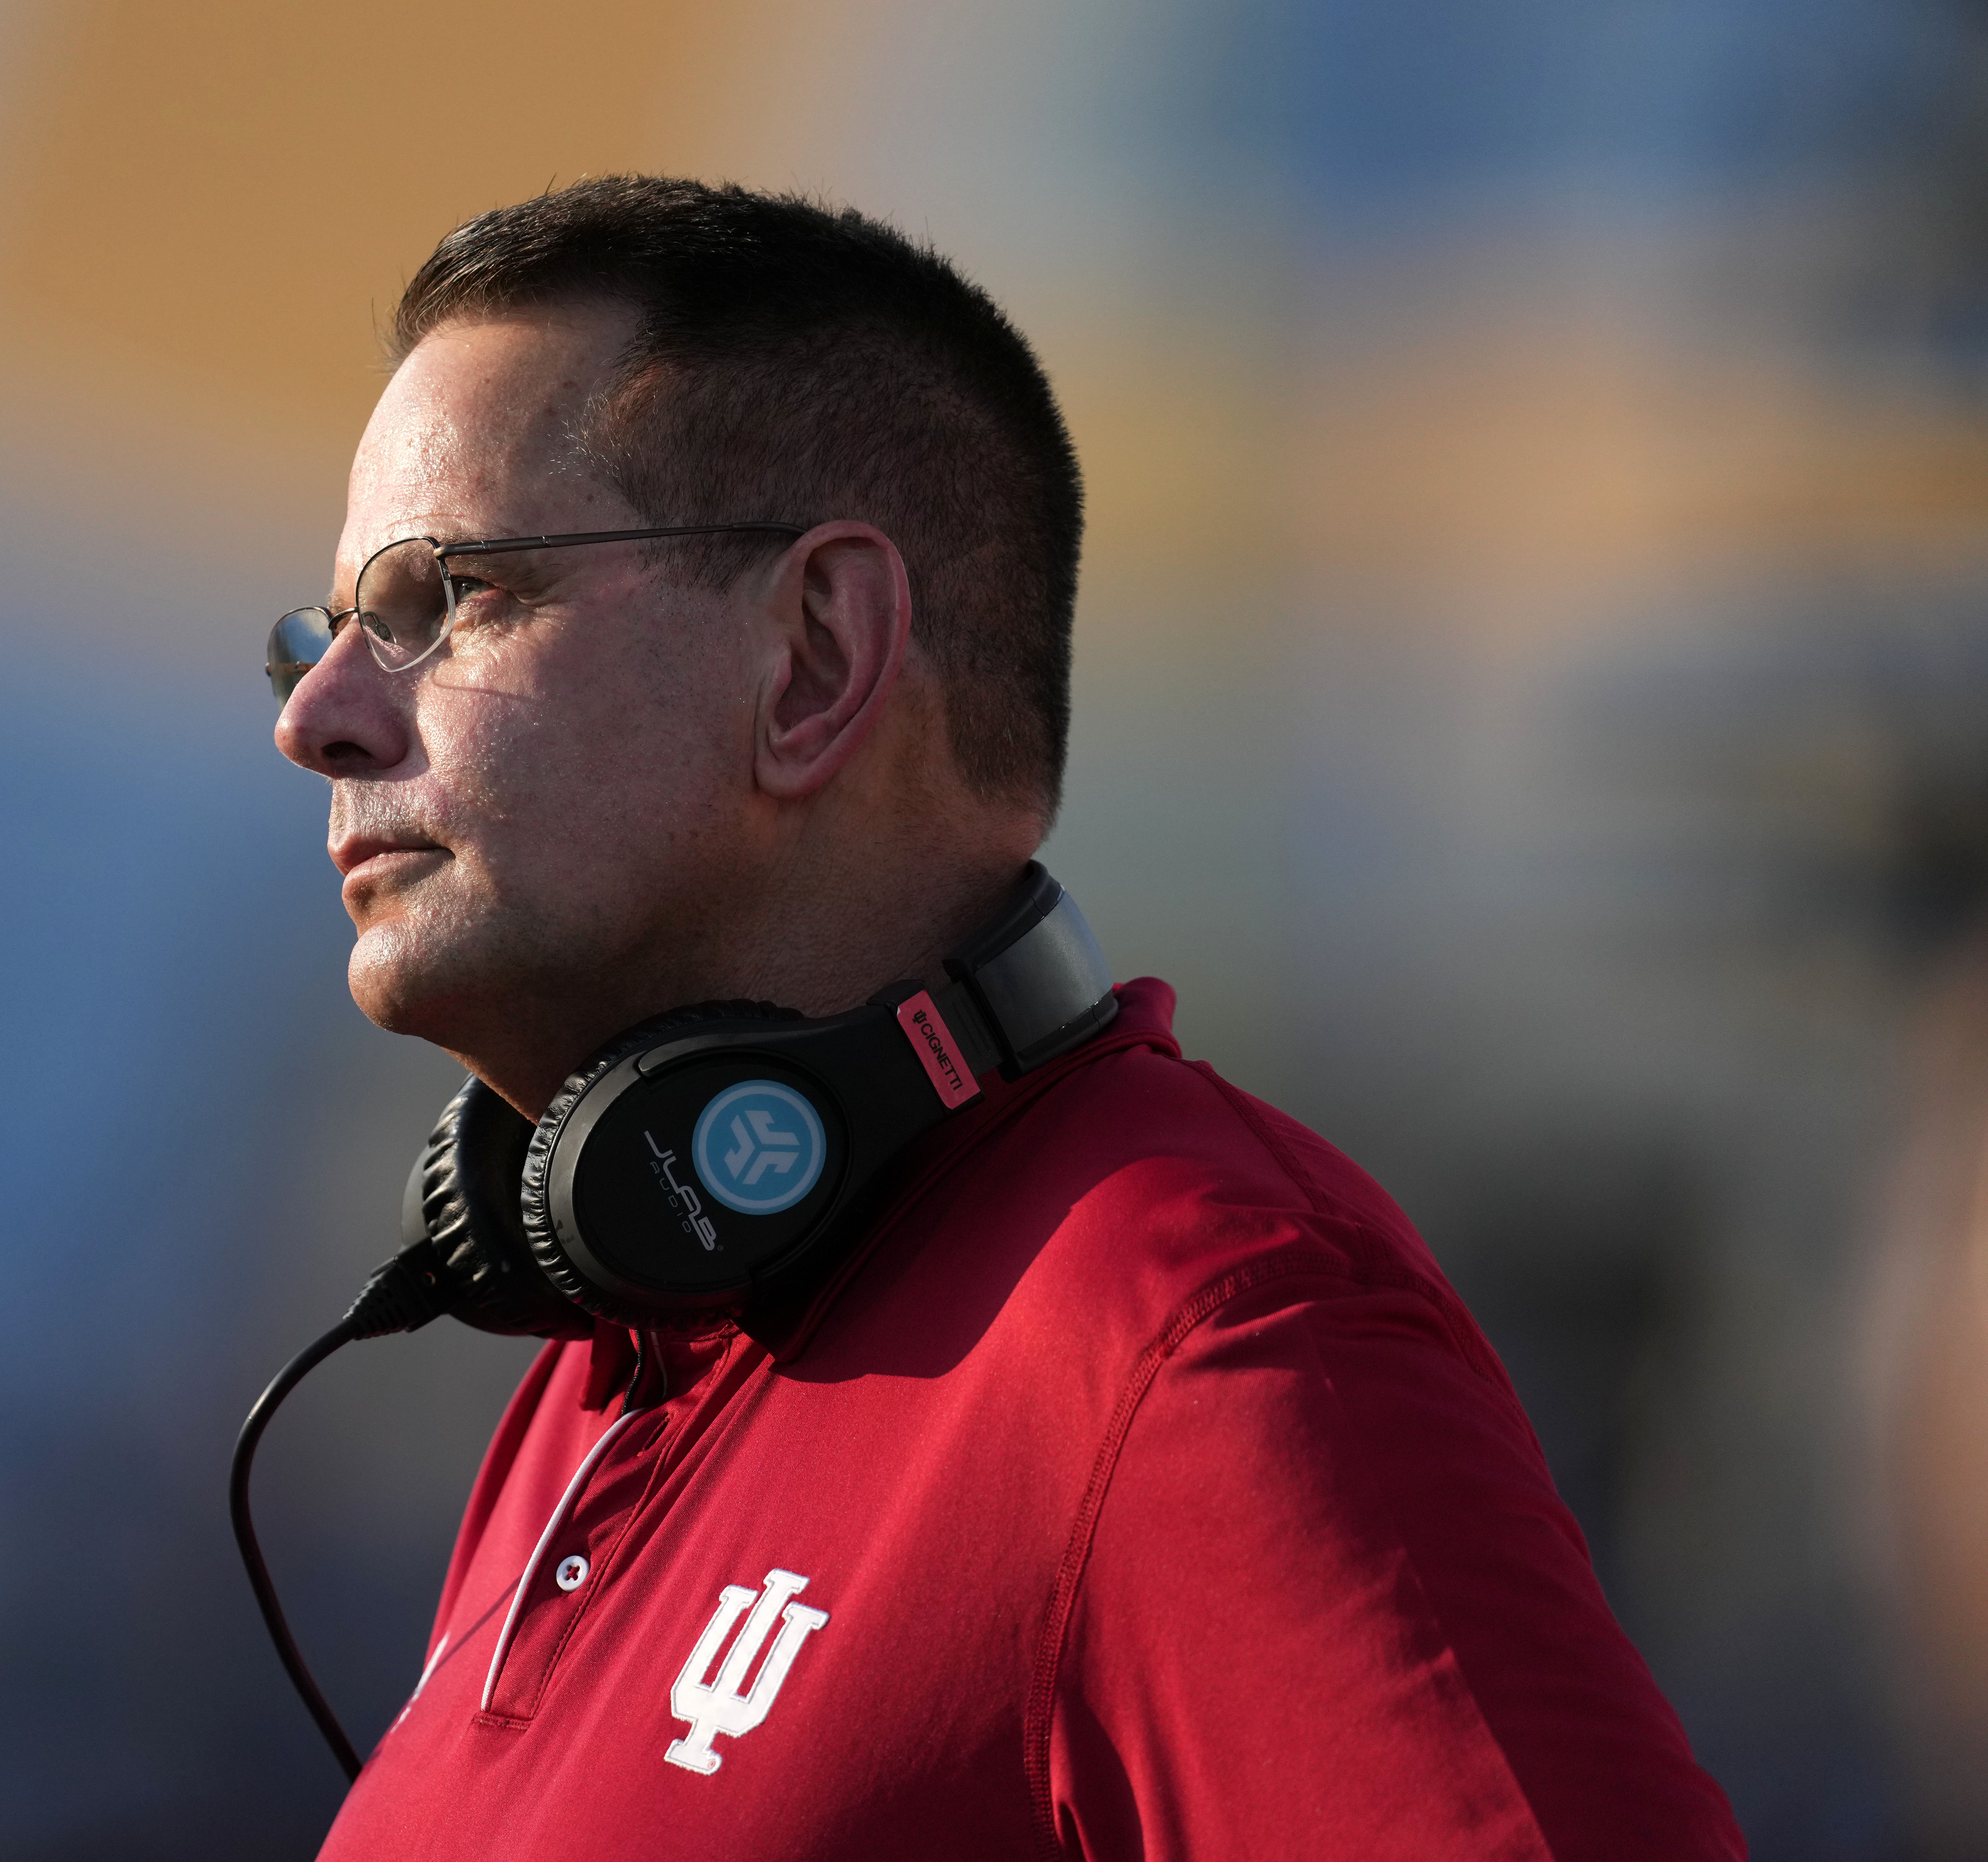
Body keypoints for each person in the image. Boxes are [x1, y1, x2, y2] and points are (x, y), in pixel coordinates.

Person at [266, 176, 1744, 1860]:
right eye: (326, 633)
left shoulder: (1195, 1329)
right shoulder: (595, 1383)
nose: (321, 719)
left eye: (444, 601)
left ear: (817, 658)